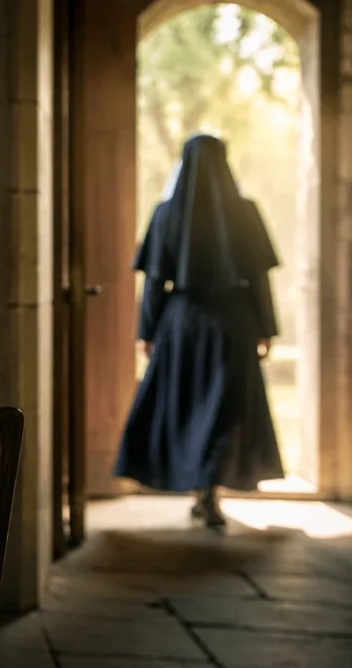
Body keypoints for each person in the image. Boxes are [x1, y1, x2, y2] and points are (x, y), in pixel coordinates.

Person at [114, 134, 285, 528]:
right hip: (233, 324)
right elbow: (259, 279)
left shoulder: (165, 213)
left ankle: (201, 490)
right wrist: (265, 329)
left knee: (190, 407)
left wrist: (149, 331)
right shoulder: (246, 212)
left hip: (182, 324)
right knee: (224, 409)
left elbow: (155, 282)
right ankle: (209, 491)